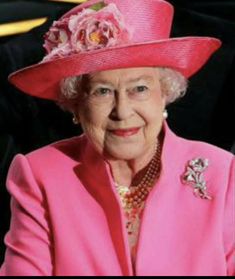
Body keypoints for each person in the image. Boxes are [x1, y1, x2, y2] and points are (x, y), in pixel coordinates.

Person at [0, 0, 234, 276]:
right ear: (76, 104)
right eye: (102, 92)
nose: (122, 111)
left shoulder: (223, 173)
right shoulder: (40, 176)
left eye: (140, 88)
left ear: (165, 94)